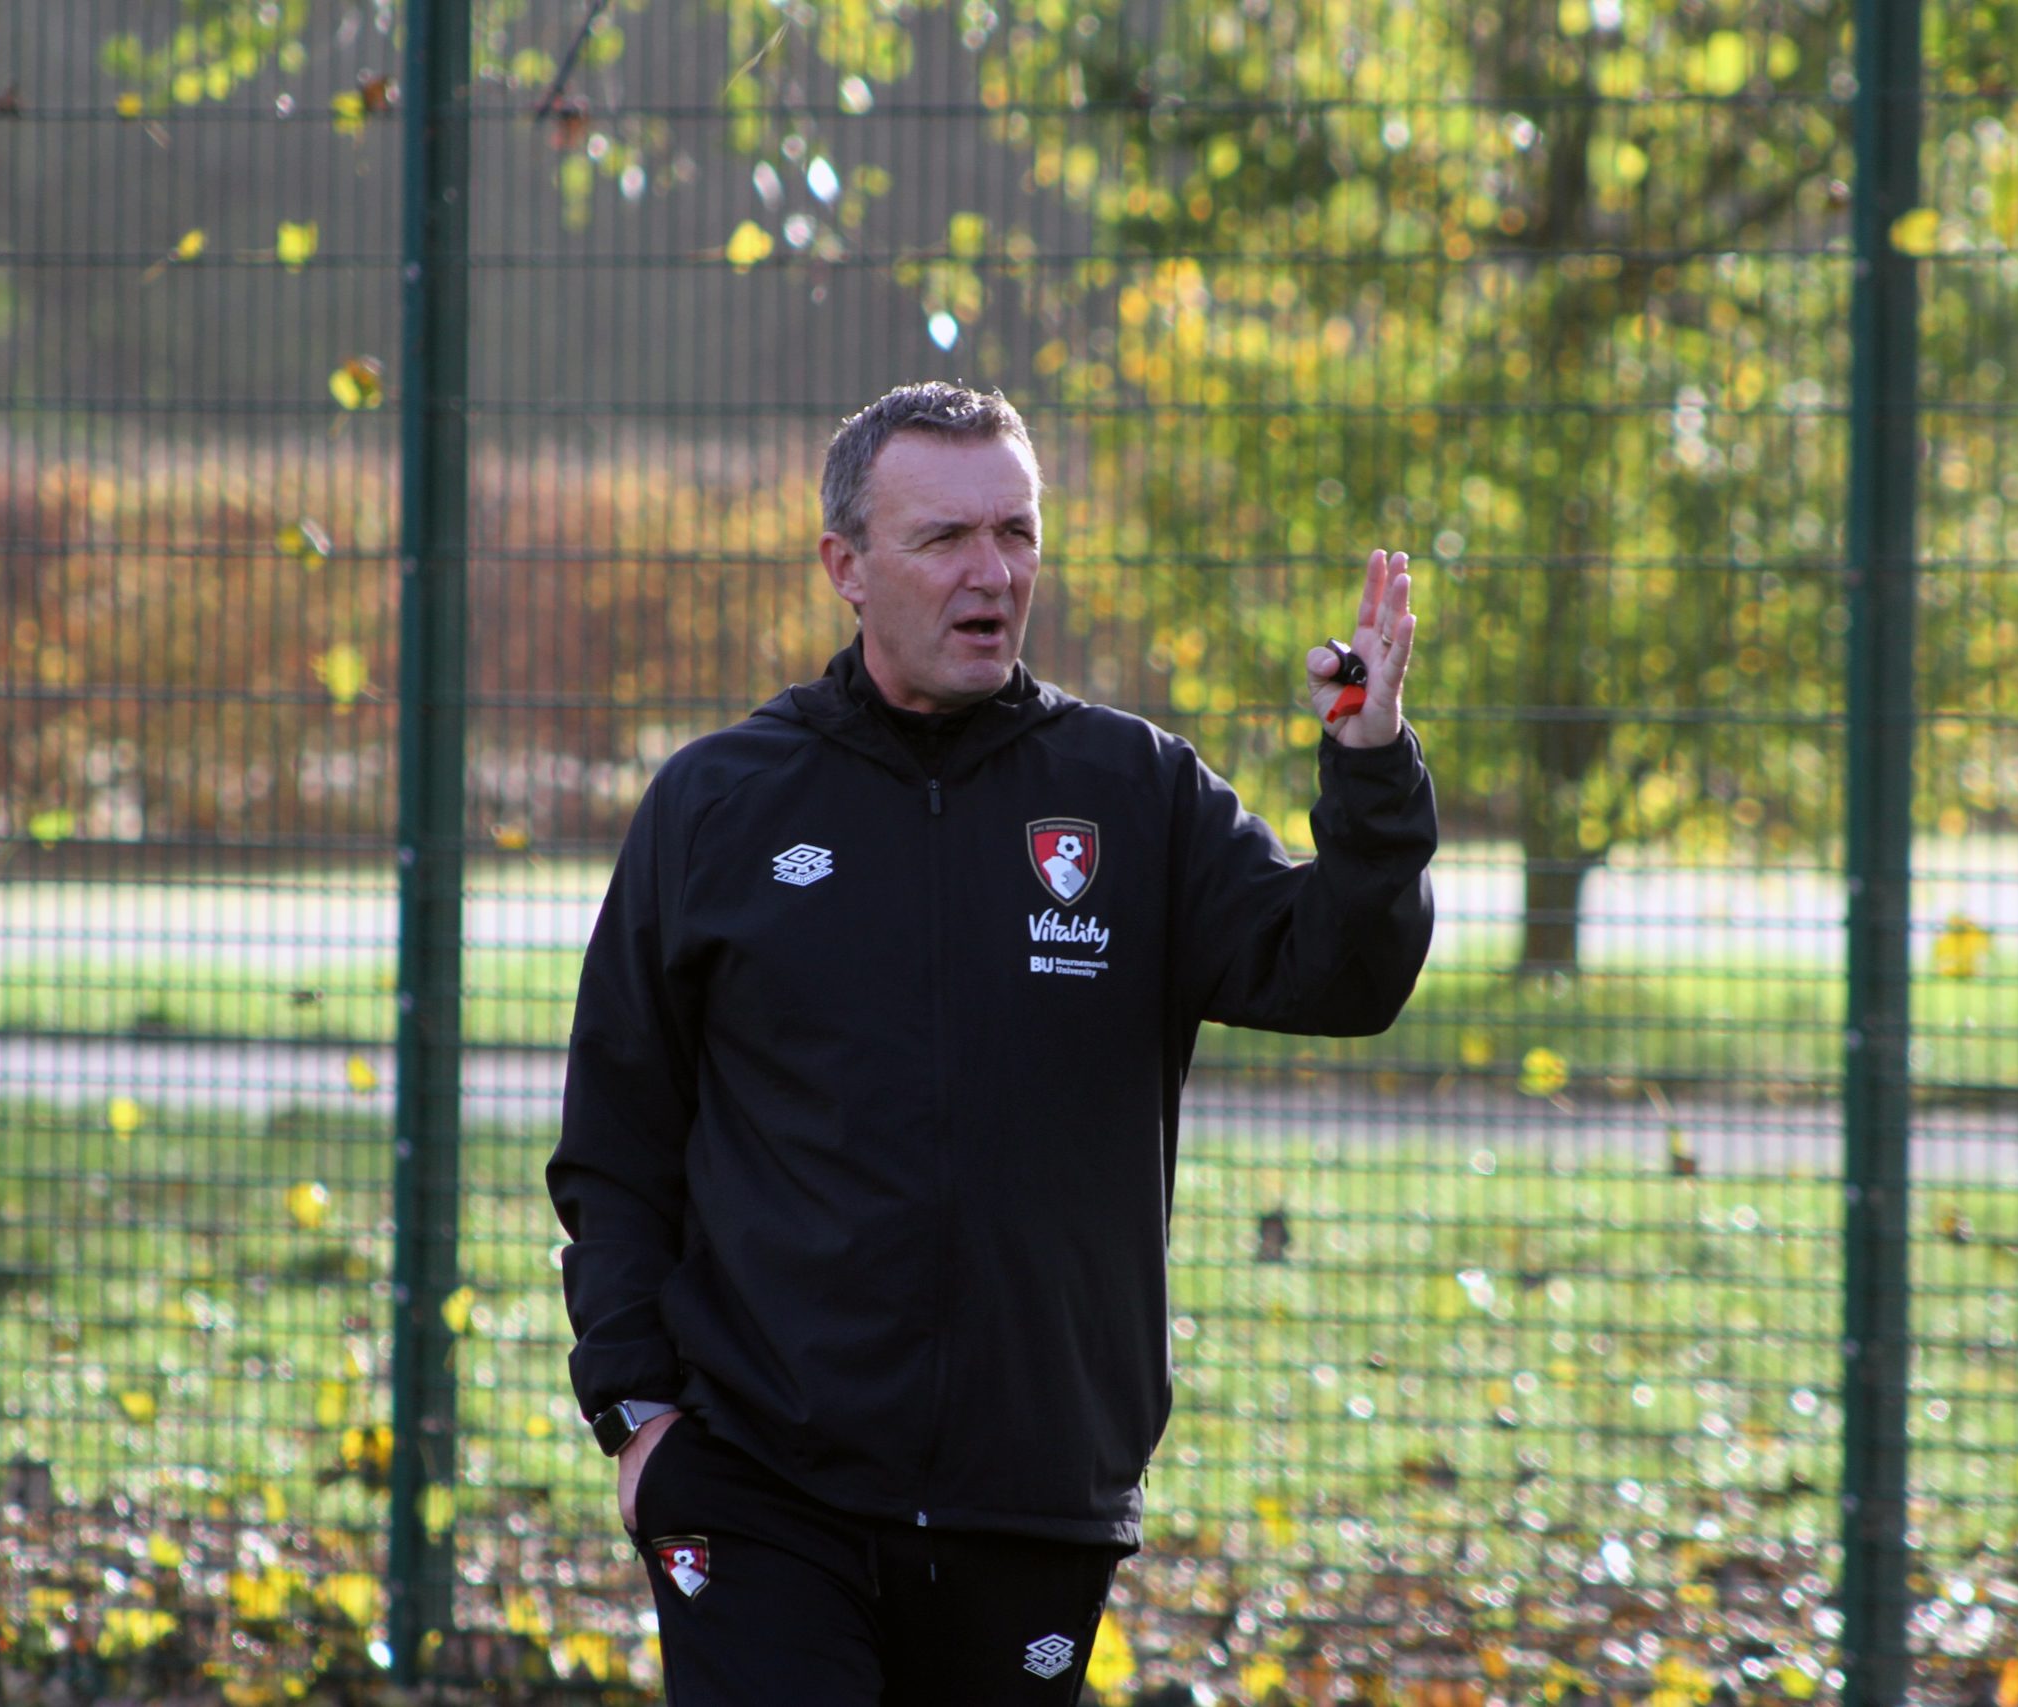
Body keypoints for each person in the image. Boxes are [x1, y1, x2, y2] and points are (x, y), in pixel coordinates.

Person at [548, 382, 1436, 1704]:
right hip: (756, 1483)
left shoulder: (1132, 793)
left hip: (1032, 1497)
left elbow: (1343, 973)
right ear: (845, 567)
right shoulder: (719, 804)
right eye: (947, 539)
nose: (993, 573)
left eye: (1017, 534)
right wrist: (639, 1420)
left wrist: (1368, 768)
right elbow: (617, 1144)